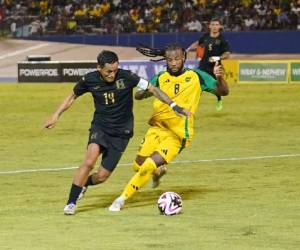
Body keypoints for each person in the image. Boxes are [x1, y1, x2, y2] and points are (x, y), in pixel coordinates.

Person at [43, 50, 190, 215]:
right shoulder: (89, 79)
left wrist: (173, 106)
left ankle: (84, 185)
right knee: (89, 161)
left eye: (115, 70)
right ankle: (71, 203)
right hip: (100, 127)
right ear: (99, 68)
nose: (112, 74)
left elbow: (153, 89)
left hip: (122, 132)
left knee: (102, 176)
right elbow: (72, 96)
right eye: (108, 71)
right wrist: (56, 115)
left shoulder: (127, 77)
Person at [108, 43, 229, 212]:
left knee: (149, 165)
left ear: (184, 58)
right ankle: (158, 172)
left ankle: (121, 200)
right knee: (138, 166)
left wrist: (220, 78)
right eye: (170, 59)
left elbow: (223, 92)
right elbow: (138, 95)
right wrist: (142, 90)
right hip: (156, 129)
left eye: (177, 59)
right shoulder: (160, 77)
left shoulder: (197, 76)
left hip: (178, 134)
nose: (173, 63)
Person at [187, 18, 230, 111]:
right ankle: (192, 104)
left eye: (216, 25)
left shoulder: (222, 40)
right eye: (213, 24)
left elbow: (227, 54)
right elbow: (198, 43)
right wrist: (188, 49)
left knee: (217, 88)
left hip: (215, 67)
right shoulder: (206, 36)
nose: (214, 27)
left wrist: (218, 58)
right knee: (196, 83)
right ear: (210, 26)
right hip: (203, 66)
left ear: (220, 27)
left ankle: (219, 99)